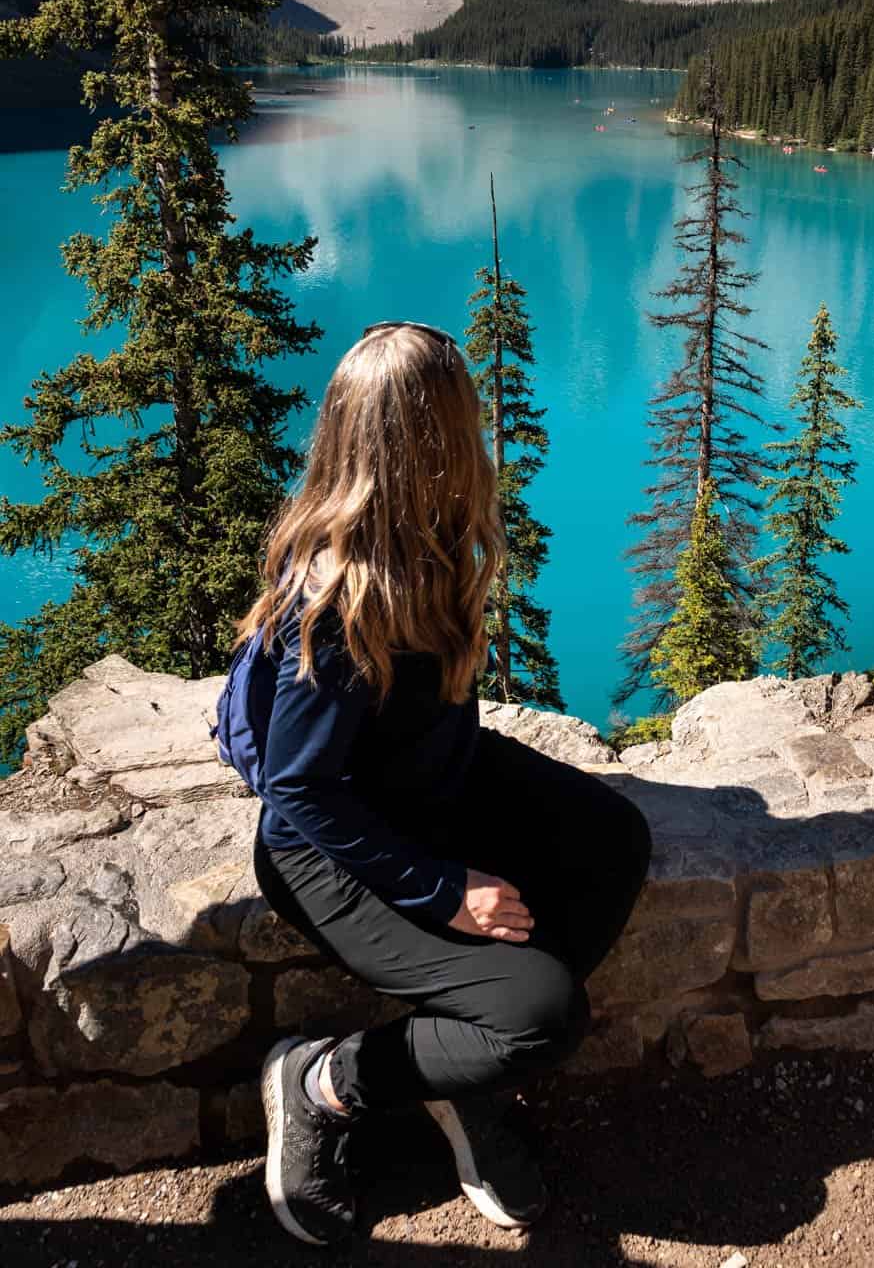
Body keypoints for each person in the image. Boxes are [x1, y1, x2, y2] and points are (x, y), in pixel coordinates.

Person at [239, 322, 652, 1247]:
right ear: (427, 436)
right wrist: (444, 889)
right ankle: (323, 1083)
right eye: (461, 411)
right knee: (542, 1016)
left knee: (613, 840)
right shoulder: (340, 596)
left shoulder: (428, 535)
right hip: (329, 846)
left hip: (431, 783)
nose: (476, 426)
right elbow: (302, 793)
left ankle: (461, 1080)